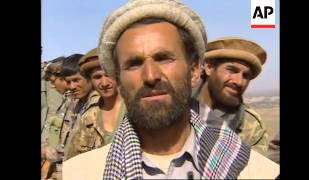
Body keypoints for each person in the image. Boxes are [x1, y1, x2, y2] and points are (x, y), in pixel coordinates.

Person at [63, 0, 279, 179]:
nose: (150, 76)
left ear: (194, 70)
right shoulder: (80, 173)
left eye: (164, 58)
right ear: (118, 81)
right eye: (134, 63)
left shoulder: (256, 172)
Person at [193, 37, 269, 155]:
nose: (239, 81)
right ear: (209, 68)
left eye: (246, 75)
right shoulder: (175, 107)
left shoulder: (251, 126)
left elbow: (256, 172)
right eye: (232, 70)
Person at [44, 54, 100, 180]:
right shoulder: (77, 103)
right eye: (69, 82)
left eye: (76, 80)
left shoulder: (98, 106)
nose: (71, 86)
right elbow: (68, 145)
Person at [65, 48, 126, 160]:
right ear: (90, 80)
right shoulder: (88, 117)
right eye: (97, 77)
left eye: (109, 75)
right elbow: (74, 160)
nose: (104, 83)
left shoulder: (135, 111)